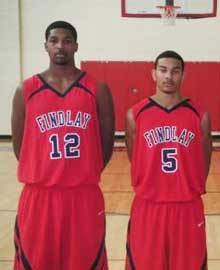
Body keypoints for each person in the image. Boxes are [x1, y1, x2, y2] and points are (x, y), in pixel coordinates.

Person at [11, 20, 115, 270]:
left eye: (67, 41)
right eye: (54, 41)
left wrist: (83, 173)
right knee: (36, 262)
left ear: (76, 46)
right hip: (39, 196)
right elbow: (19, 146)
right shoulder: (26, 90)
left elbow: (107, 143)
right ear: (45, 46)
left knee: (85, 262)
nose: (60, 46)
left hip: (83, 195)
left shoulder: (96, 89)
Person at [125, 50, 212, 270]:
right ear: (153, 73)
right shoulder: (135, 114)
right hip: (148, 206)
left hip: (187, 207)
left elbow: (204, 163)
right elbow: (133, 156)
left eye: (175, 71)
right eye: (163, 70)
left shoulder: (199, 115)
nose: (168, 77)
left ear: (184, 75)